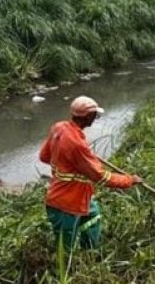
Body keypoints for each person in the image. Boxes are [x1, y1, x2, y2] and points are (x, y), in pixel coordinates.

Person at [38, 96, 142, 253]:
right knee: (66, 249)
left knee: (93, 219)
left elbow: (44, 156)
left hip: (80, 196)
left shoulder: (59, 128)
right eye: (95, 115)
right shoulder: (77, 145)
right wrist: (128, 180)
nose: (96, 118)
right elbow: (100, 177)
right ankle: (67, 272)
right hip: (66, 203)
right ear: (88, 116)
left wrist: (71, 162)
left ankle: (91, 255)